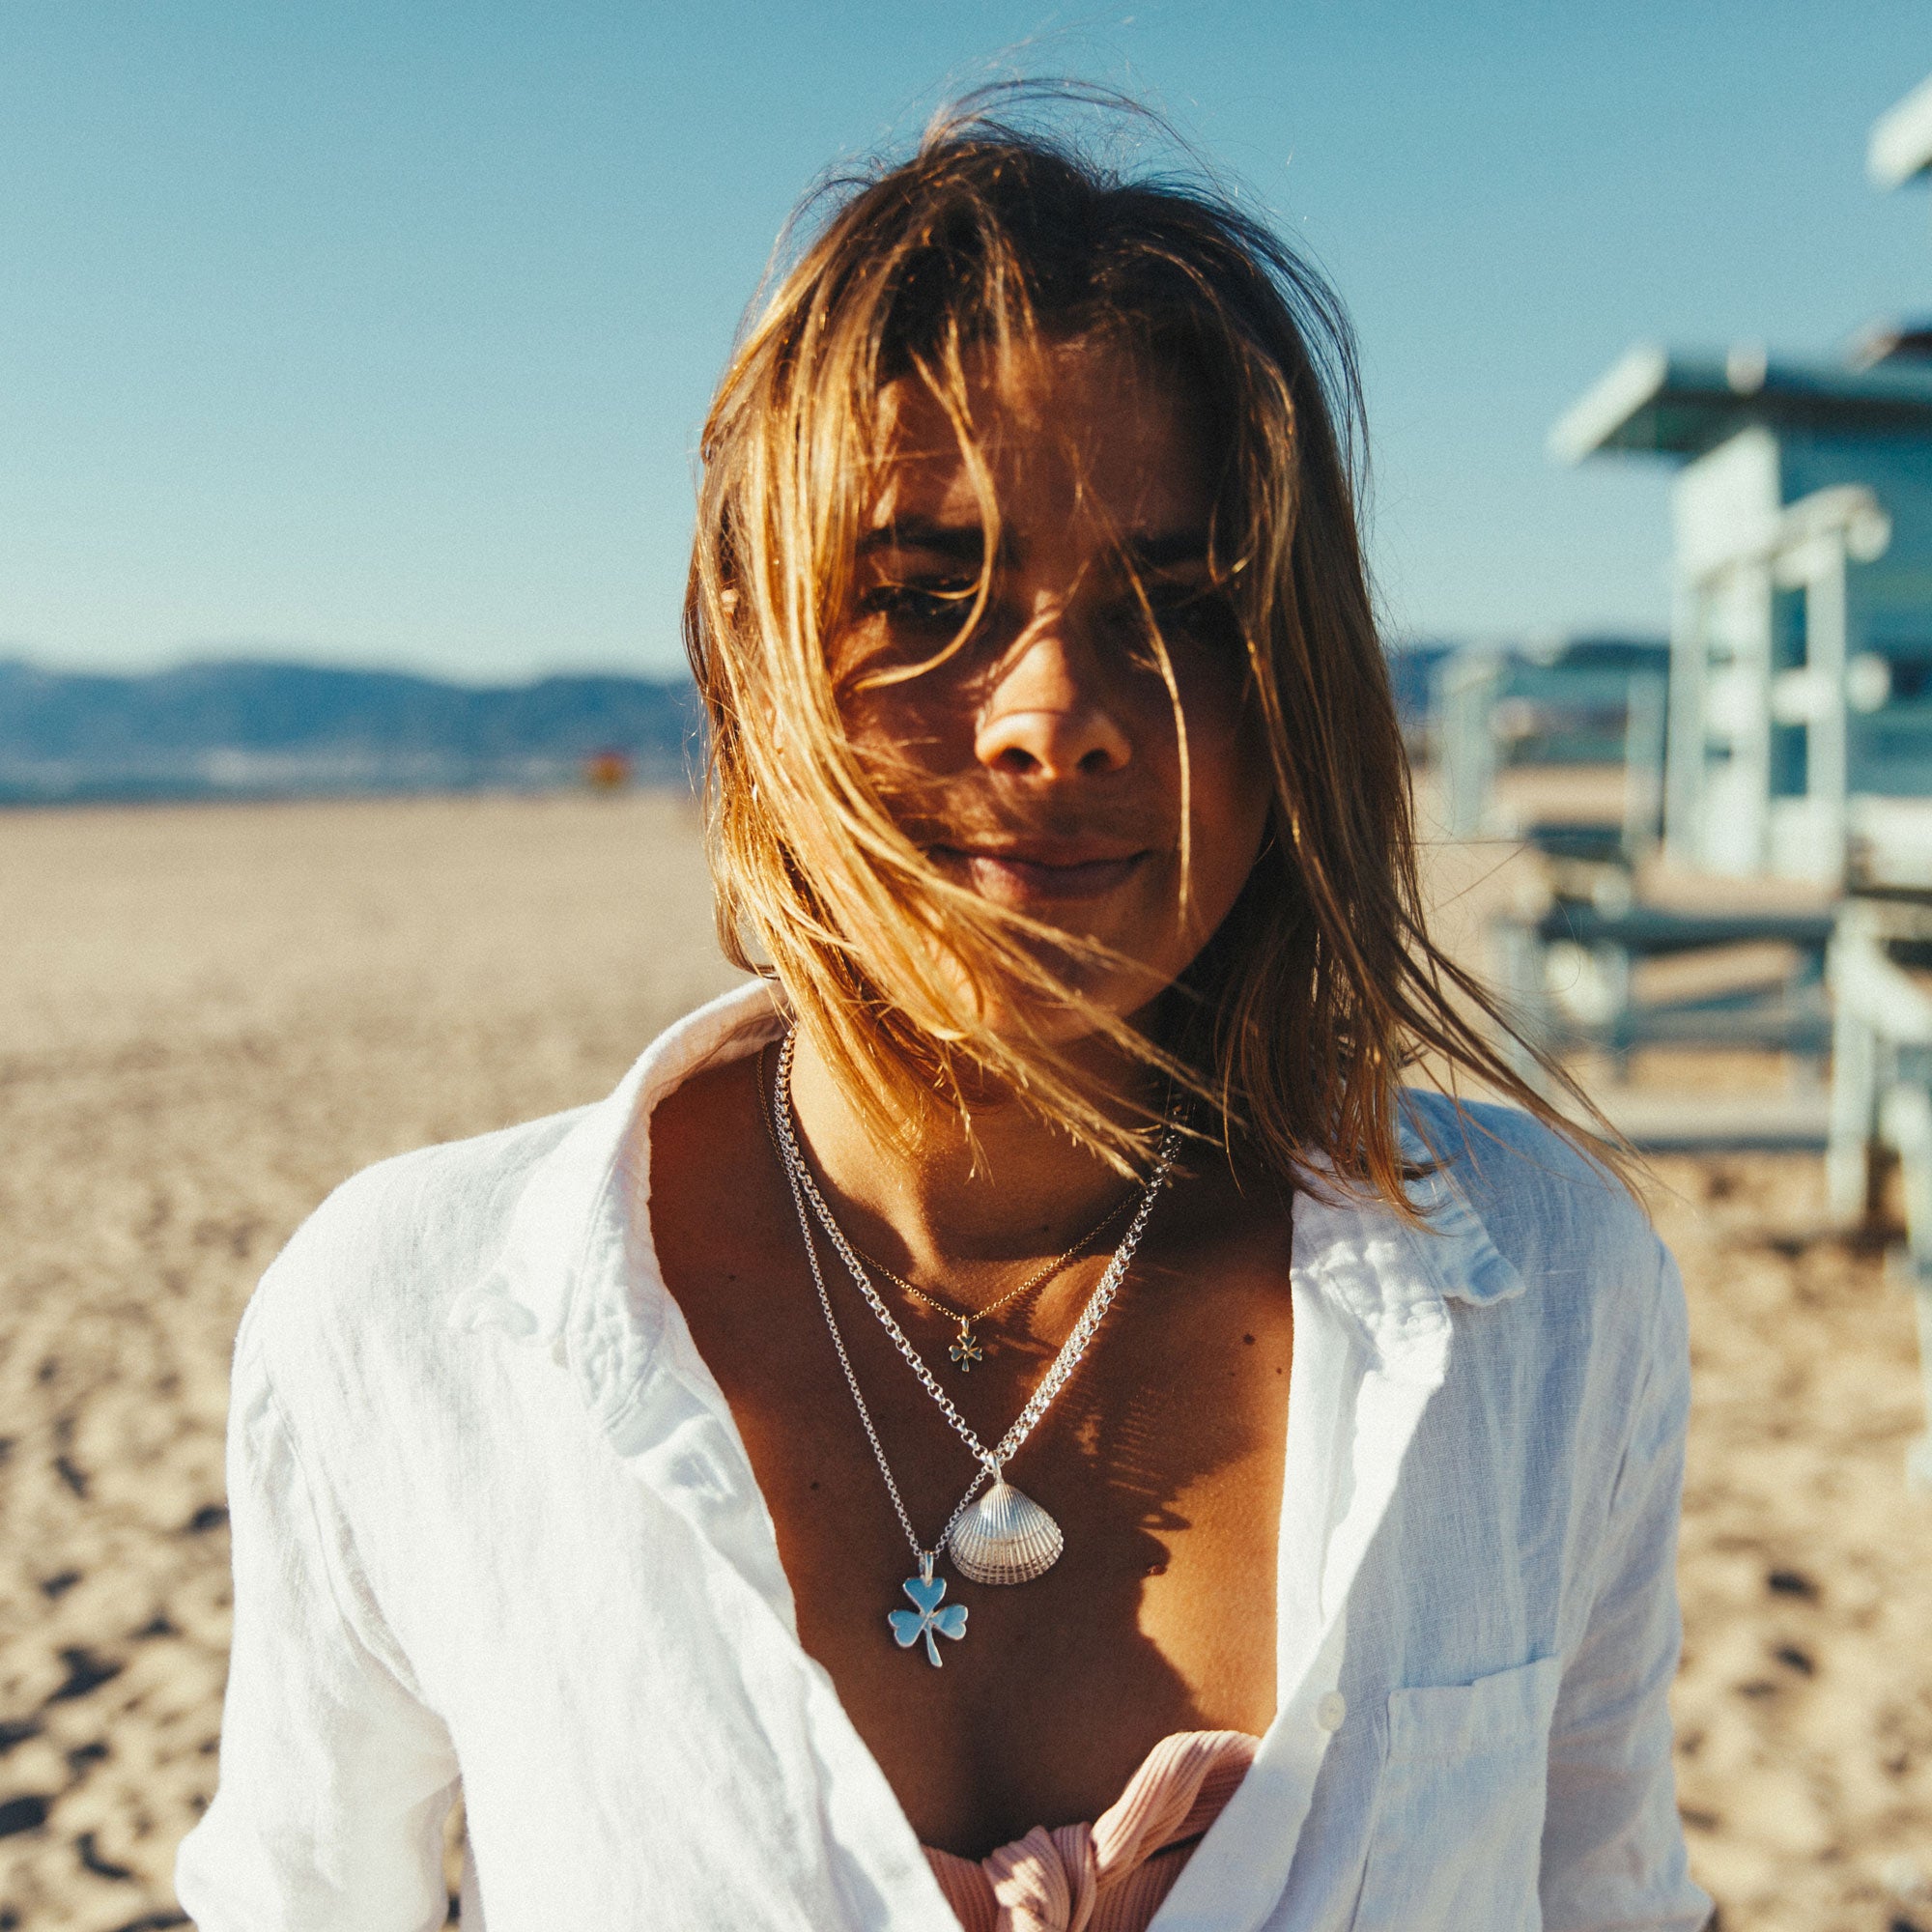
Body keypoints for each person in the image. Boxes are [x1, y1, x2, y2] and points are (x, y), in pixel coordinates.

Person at [176, 91, 1713, 1932]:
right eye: (923, 593)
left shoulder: (1544, 1297)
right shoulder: (411, 1323)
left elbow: (1611, 1897)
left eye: (1186, 604)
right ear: (750, 659)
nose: (1054, 712)